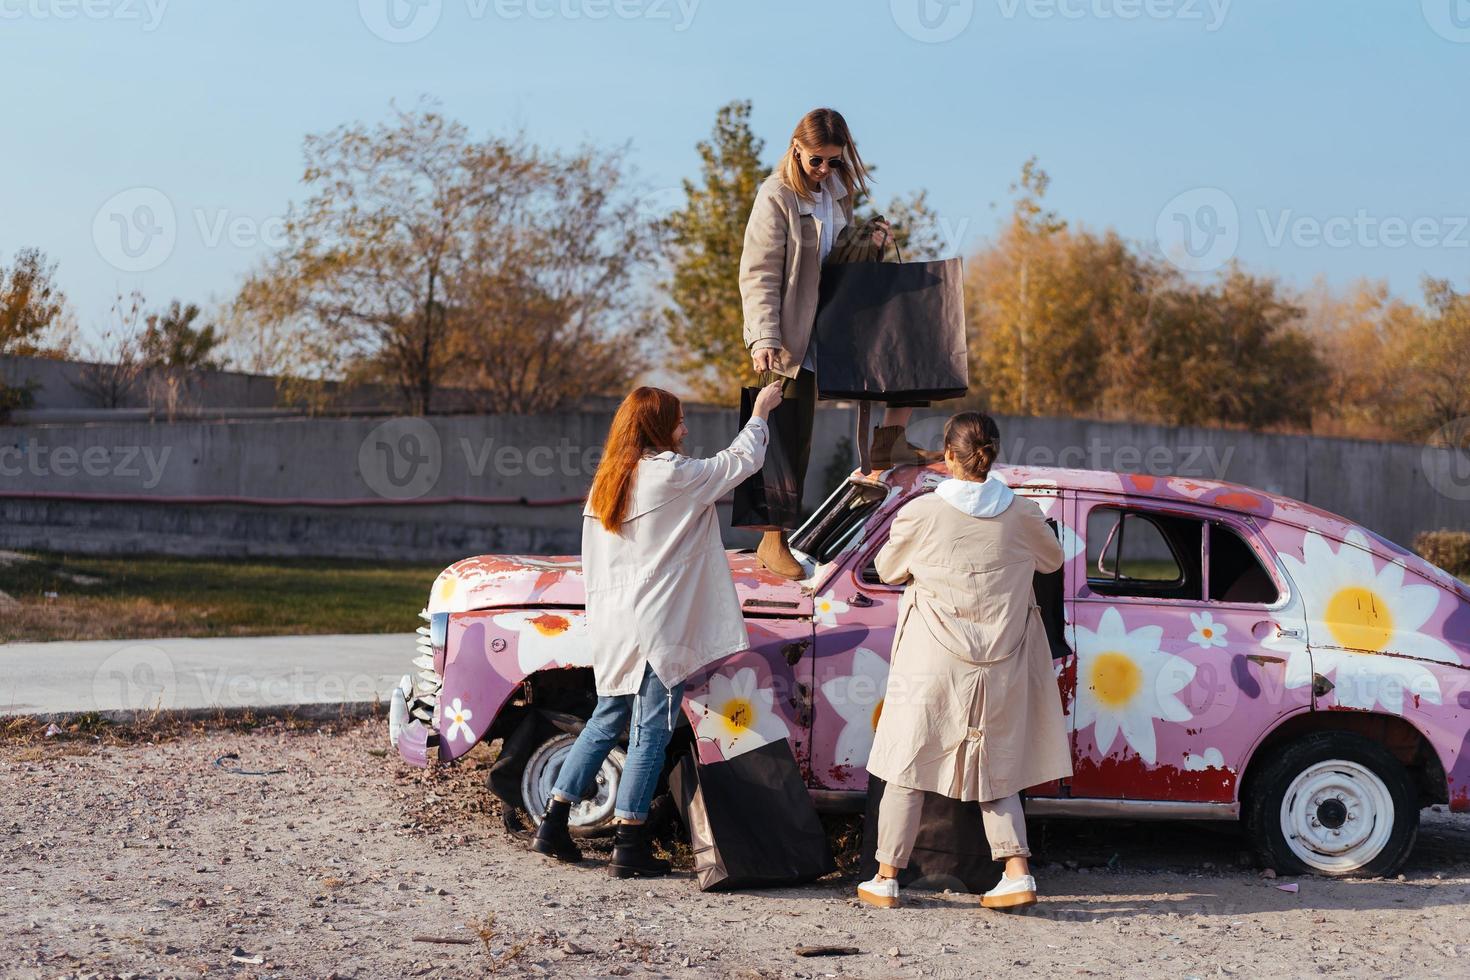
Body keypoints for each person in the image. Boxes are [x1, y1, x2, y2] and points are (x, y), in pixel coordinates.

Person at [531, 381, 785, 878]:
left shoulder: (610, 480)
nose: (685, 428)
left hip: (617, 623)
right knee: (651, 728)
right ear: (657, 426)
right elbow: (737, 463)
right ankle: (630, 844)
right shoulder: (668, 475)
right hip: (657, 625)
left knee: (606, 718)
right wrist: (760, 412)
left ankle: (553, 823)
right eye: (679, 419)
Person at [858, 412, 1070, 911]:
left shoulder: (922, 512)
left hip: (931, 659)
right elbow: (1052, 561)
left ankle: (885, 876)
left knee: (906, 761)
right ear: (993, 454)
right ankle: (1016, 872)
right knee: (997, 766)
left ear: (947, 456)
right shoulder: (1021, 514)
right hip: (1001, 659)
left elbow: (887, 570)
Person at [738, 106, 937, 581]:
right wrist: (763, 334)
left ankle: (891, 441)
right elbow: (759, 270)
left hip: (835, 320)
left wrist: (869, 240)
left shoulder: (836, 193)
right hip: (791, 332)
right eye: (817, 161)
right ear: (796, 149)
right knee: (789, 432)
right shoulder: (776, 196)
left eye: (835, 160)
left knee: (909, 341)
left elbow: (837, 260)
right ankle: (772, 538)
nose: (825, 169)